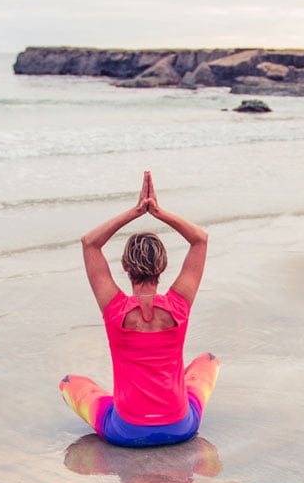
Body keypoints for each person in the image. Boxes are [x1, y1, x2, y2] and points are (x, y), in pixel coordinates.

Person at [59, 171, 219, 447]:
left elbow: (90, 242)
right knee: (208, 361)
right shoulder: (178, 306)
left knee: (70, 381)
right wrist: (157, 211)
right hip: (181, 427)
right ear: (164, 267)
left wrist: (135, 211)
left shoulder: (115, 309)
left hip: (125, 432)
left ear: (124, 267)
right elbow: (200, 239)